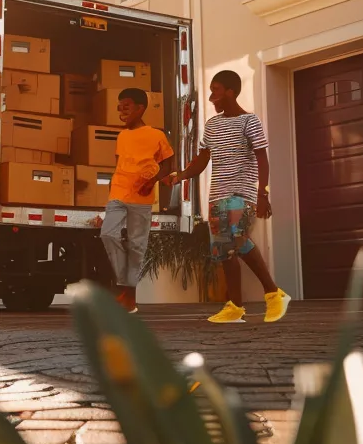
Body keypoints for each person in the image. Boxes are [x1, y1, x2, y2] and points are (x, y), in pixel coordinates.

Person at [167, 70, 291, 324]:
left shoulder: (249, 121)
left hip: (241, 191)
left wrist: (263, 193)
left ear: (231, 92)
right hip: (217, 193)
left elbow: (262, 158)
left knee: (237, 236)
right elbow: (203, 160)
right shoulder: (212, 125)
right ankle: (235, 307)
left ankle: (273, 293)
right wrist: (181, 175)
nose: (212, 97)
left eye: (216, 90)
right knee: (224, 249)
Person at [100, 88, 174, 314]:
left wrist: (151, 182)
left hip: (142, 198)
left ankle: (129, 298)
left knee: (136, 245)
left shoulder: (156, 135)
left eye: (127, 106)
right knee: (108, 233)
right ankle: (125, 286)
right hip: (118, 195)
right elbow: (119, 165)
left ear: (140, 108)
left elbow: (168, 166)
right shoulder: (121, 136)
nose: (121, 110)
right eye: (119, 106)